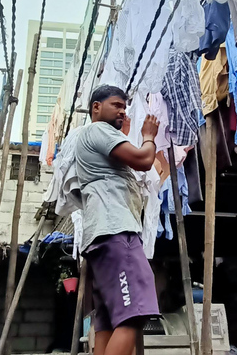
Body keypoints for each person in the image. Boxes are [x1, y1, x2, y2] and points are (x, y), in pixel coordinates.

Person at [77, 84, 160, 355]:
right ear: (96, 108)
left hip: (101, 237)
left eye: (125, 107)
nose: (122, 112)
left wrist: (124, 135)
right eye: (117, 105)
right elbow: (144, 160)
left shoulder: (95, 139)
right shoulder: (97, 130)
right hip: (116, 233)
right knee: (134, 314)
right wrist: (148, 136)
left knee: (109, 322)